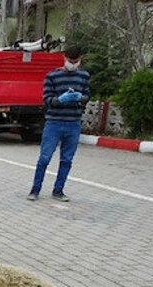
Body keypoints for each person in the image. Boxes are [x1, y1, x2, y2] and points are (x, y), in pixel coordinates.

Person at [27, 46, 90, 202]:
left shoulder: (84, 76)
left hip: (73, 123)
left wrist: (80, 97)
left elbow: (87, 96)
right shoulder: (52, 76)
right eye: (70, 61)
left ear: (80, 59)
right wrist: (60, 99)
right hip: (54, 123)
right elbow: (47, 100)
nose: (73, 64)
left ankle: (58, 191)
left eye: (75, 61)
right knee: (44, 158)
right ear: (64, 58)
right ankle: (35, 190)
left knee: (67, 160)